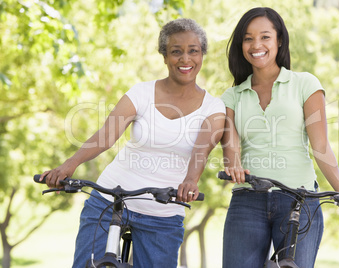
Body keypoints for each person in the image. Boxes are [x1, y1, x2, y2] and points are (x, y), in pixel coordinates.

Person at [40, 18, 225, 268]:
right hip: (110, 199)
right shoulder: (141, 92)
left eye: (193, 51)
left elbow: (201, 151)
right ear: (164, 56)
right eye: (176, 52)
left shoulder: (213, 107)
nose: (185, 59)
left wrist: (191, 180)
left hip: (164, 210)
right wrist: (69, 165)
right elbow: (106, 135)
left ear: (202, 54)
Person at [220, 7, 339, 268]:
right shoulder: (232, 96)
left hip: (298, 201)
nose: (256, 44)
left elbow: (321, 146)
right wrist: (233, 166)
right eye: (248, 38)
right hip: (247, 200)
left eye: (265, 37)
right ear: (241, 45)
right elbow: (231, 149)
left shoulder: (305, 84)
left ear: (280, 40)